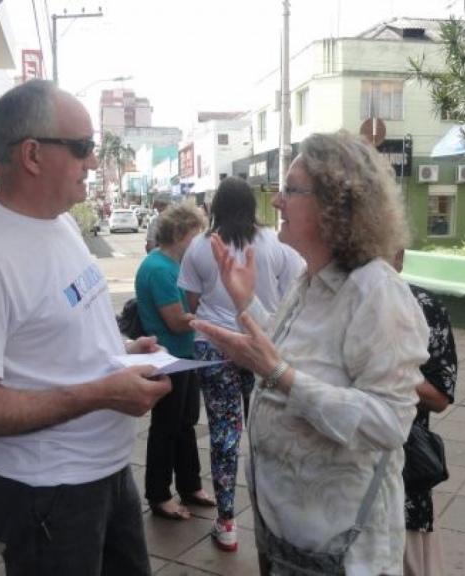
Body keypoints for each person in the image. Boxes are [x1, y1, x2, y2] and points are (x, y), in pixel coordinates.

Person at [0, 79, 171, 575]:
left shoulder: (60, 224)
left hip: (104, 470)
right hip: (48, 491)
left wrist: (124, 350)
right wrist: (102, 393)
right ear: (33, 154)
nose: (92, 161)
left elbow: (53, 330)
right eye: (83, 148)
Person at [192, 131, 430, 576]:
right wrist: (246, 304)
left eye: (291, 190)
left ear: (333, 205)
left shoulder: (376, 292)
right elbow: (291, 353)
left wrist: (278, 374)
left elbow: (388, 422)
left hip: (344, 552)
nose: (277, 203)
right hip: (291, 542)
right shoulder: (311, 280)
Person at [177, 176, 303, 552]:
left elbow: (191, 303)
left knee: (224, 434)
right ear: (252, 207)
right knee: (269, 432)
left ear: (215, 207)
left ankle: (227, 522)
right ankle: (275, 520)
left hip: (215, 348)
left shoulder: (200, 246)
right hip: (262, 344)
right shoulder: (275, 245)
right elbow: (295, 290)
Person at [134, 204, 213, 521]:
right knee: (166, 428)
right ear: (180, 234)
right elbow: (177, 321)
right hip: (170, 359)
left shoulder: (172, 265)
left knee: (185, 424)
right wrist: (212, 315)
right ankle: (159, 494)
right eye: (196, 236)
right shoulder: (160, 269)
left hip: (184, 356)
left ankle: (190, 484)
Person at [393, 249, 457, 576]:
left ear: (399, 257)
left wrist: (393, 373)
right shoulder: (332, 303)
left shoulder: (424, 307)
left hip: (402, 478)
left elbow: (440, 397)